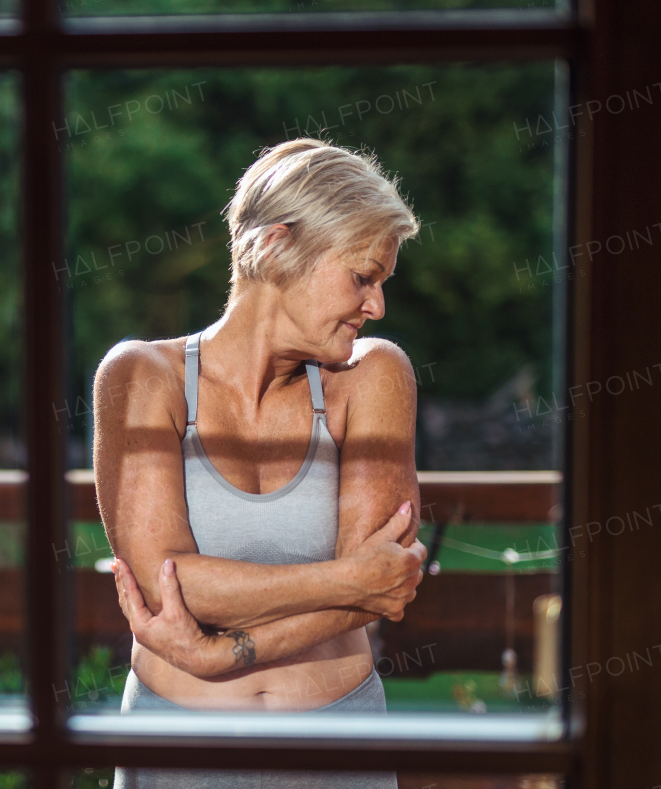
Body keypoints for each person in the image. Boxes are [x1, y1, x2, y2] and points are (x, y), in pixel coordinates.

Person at [92, 138, 429, 789]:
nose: (377, 306)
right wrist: (345, 578)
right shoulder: (141, 376)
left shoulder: (375, 375)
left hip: (337, 745)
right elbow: (168, 587)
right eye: (363, 277)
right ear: (276, 246)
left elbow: (380, 588)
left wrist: (221, 653)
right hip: (174, 751)